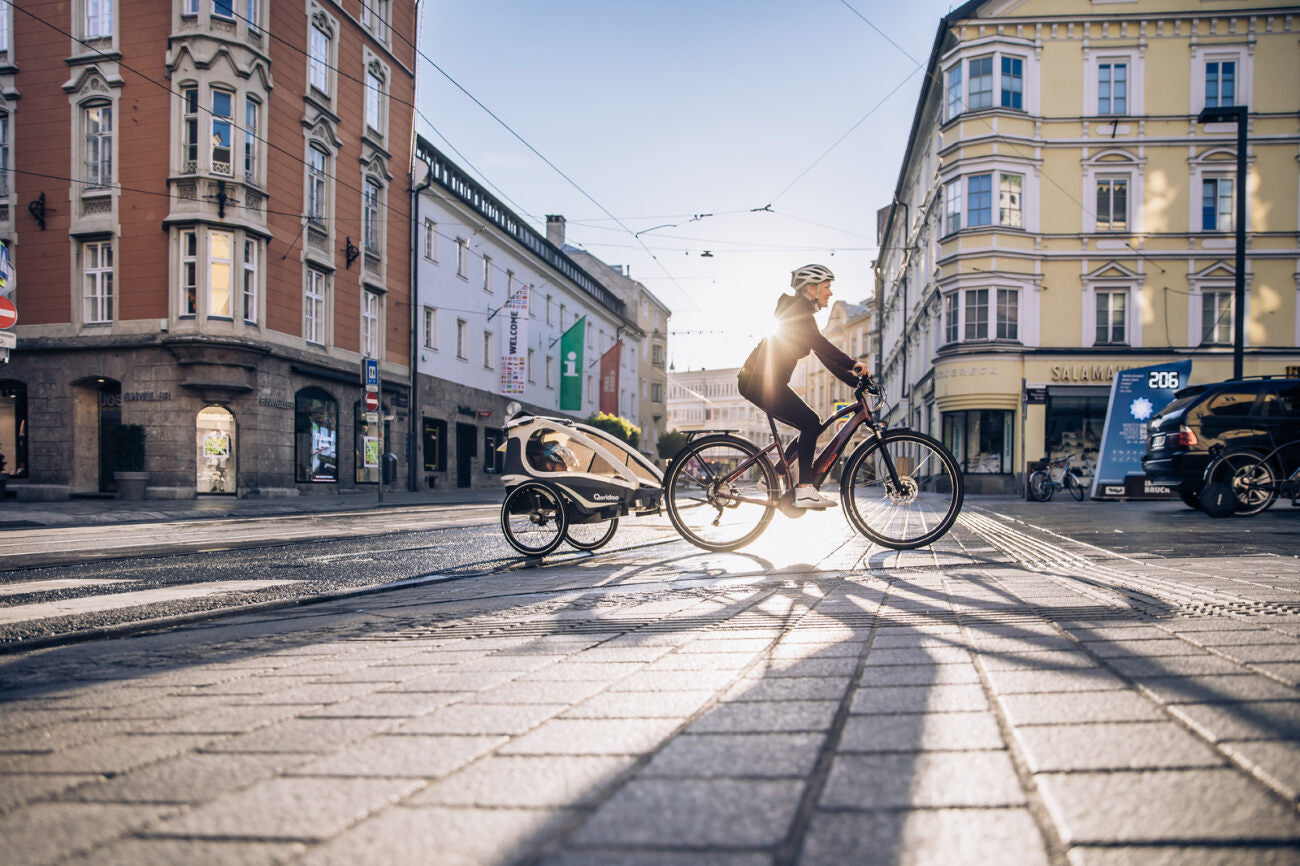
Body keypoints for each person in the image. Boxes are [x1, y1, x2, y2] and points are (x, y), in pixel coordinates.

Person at [738, 264, 869, 508]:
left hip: (764, 380)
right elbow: (821, 345)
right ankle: (805, 489)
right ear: (811, 288)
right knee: (810, 422)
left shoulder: (802, 315)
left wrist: (854, 380)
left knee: (811, 424)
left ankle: (775, 476)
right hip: (758, 380)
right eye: (827, 287)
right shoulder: (797, 310)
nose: (830, 293)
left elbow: (824, 357)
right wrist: (853, 363)